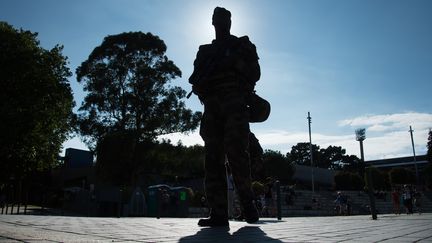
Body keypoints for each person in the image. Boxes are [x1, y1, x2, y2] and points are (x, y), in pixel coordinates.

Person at [189, 6, 261, 227]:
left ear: (230, 22)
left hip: (235, 103)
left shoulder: (242, 45)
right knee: (212, 159)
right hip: (212, 107)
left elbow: (255, 73)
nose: (221, 22)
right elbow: (196, 80)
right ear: (212, 22)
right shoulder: (205, 52)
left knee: (237, 154)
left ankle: (248, 204)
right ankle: (218, 213)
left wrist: (233, 63)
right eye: (217, 19)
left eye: (225, 19)